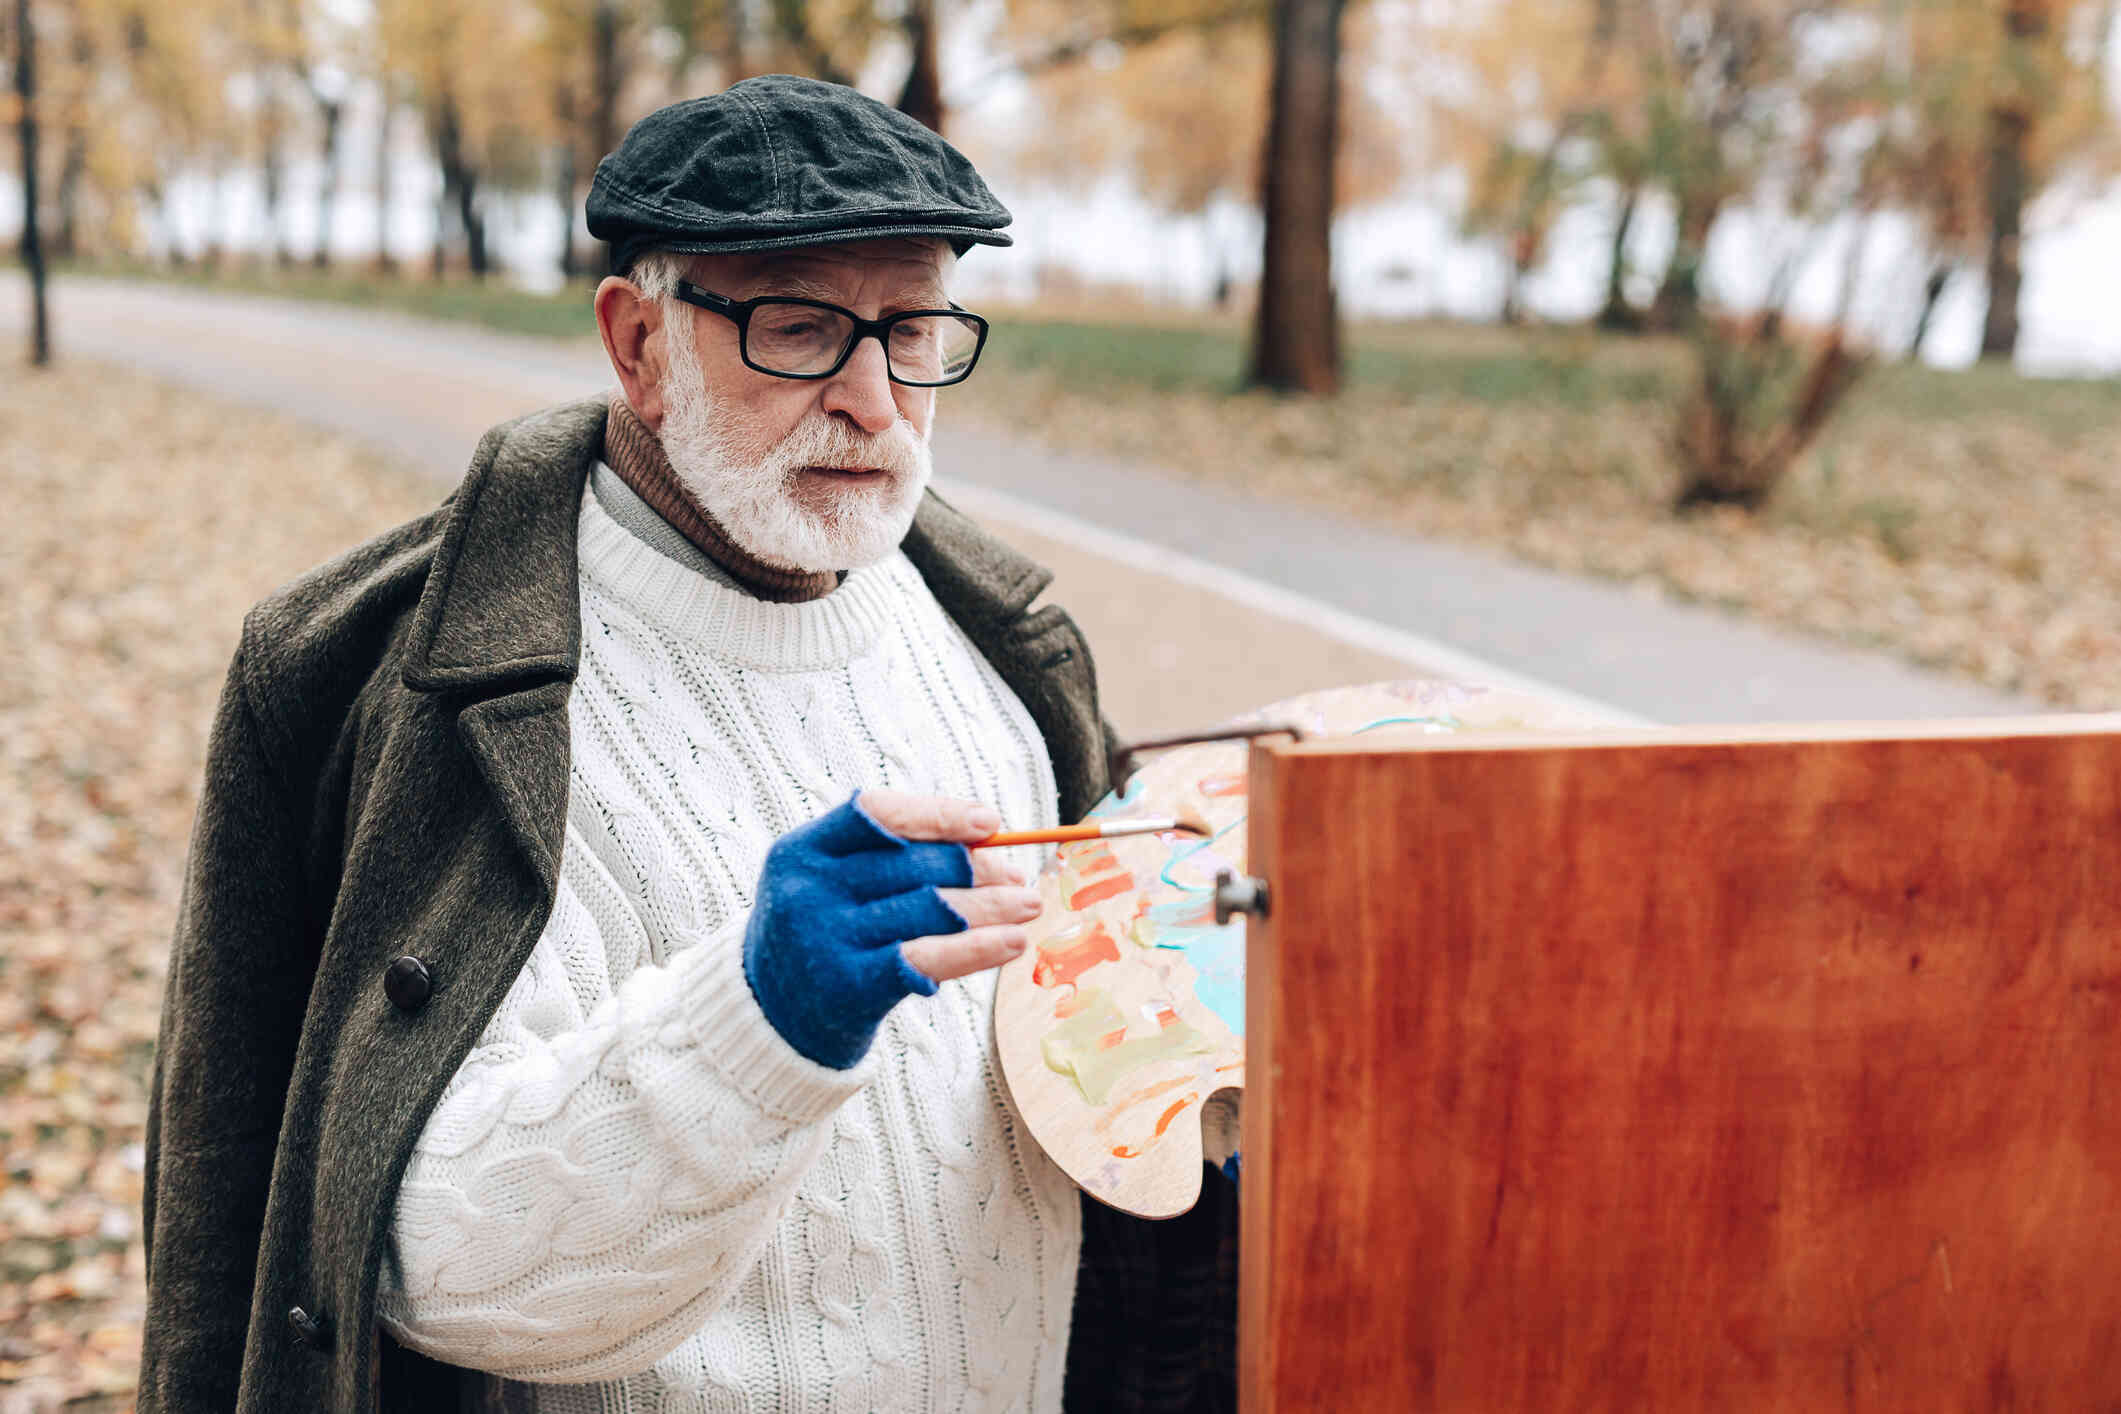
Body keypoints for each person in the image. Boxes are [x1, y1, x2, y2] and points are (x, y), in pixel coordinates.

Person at [137, 75, 1237, 1414]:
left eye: (912, 330)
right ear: (637, 342)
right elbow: (422, 1270)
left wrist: (1220, 1061)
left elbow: (1102, 1111)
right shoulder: (408, 691)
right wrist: (758, 1019)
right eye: (798, 329)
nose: (872, 400)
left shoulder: (1008, 649)